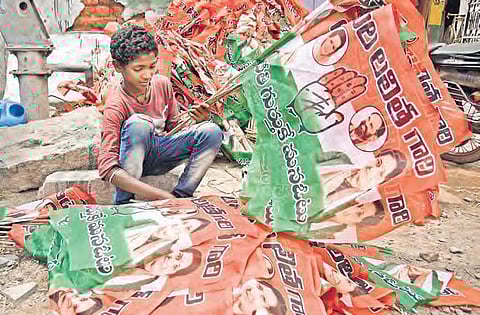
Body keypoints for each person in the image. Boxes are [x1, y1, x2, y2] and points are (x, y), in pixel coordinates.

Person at [97, 25, 223, 205]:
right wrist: (161, 195)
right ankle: (124, 203)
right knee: (139, 124)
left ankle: (182, 197)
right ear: (118, 66)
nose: (147, 75)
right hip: (131, 160)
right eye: (138, 69)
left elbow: (174, 128)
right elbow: (107, 168)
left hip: (160, 153)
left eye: (152, 66)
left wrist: (197, 120)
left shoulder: (162, 85)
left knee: (211, 131)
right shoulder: (116, 104)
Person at [317, 149, 407, 203]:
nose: (372, 169)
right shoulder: (340, 159)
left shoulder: (357, 205)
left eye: (380, 174)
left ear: (381, 183)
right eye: (378, 162)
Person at [104, 248, 202, 291]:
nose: (169, 261)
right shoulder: (148, 245)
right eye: (178, 256)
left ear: (170, 274)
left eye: (175, 267)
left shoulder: (138, 283)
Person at [308, 201, 384, 240]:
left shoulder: (324, 237)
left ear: (353, 224)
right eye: (358, 205)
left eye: (358, 214)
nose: (353, 209)